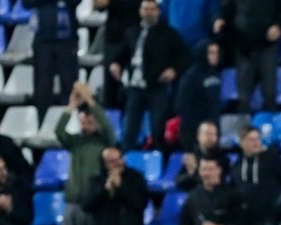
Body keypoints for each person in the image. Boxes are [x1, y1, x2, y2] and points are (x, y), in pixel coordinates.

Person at [57, 83, 116, 225]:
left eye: (90, 121)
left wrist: (90, 100)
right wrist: (72, 105)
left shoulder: (104, 142)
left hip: (93, 207)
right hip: (72, 205)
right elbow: (59, 131)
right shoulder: (76, 143)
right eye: (83, 121)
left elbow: (109, 129)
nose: (86, 125)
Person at [110, 0, 189, 151]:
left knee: (157, 128)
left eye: (152, 9)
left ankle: (158, 161)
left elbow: (184, 56)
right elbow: (122, 53)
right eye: (146, 9)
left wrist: (173, 69)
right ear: (140, 11)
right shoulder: (132, 31)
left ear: (158, 12)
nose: (149, 12)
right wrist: (116, 63)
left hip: (157, 87)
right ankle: (127, 161)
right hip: (135, 87)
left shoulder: (168, 33)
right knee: (129, 129)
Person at [214, 0, 281, 113]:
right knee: (243, 96)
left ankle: (268, 126)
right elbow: (226, 9)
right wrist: (219, 19)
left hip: (267, 46)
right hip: (243, 46)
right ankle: (243, 128)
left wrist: (279, 26)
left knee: (269, 92)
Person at [25, 0, 80, 119]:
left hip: (67, 40)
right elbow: (26, 3)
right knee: (42, 87)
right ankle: (42, 122)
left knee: (69, 85)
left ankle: (69, 122)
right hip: (43, 40)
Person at [174, 41, 224, 152]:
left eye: (216, 52)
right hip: (194, 131)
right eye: (211, 52)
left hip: (213, 130)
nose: (215, 56)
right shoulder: (190, 77)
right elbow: (182, 106)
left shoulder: (216, 74)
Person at [94, 0, 142, 106]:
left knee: (137, 83)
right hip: (114, 37)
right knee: (111, 86)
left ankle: (135, 118)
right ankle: (110, 120)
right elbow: (98, 4)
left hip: (137, 36)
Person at [175, 121, 231, 191]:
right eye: (207, 134)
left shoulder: (222, 158)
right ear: (199, 136)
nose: (210, 138)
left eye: (213, 134)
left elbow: (216, 182)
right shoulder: (193, 157)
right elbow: (178, 182)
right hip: (196, 196)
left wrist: (195, 173)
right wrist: (191, 174)